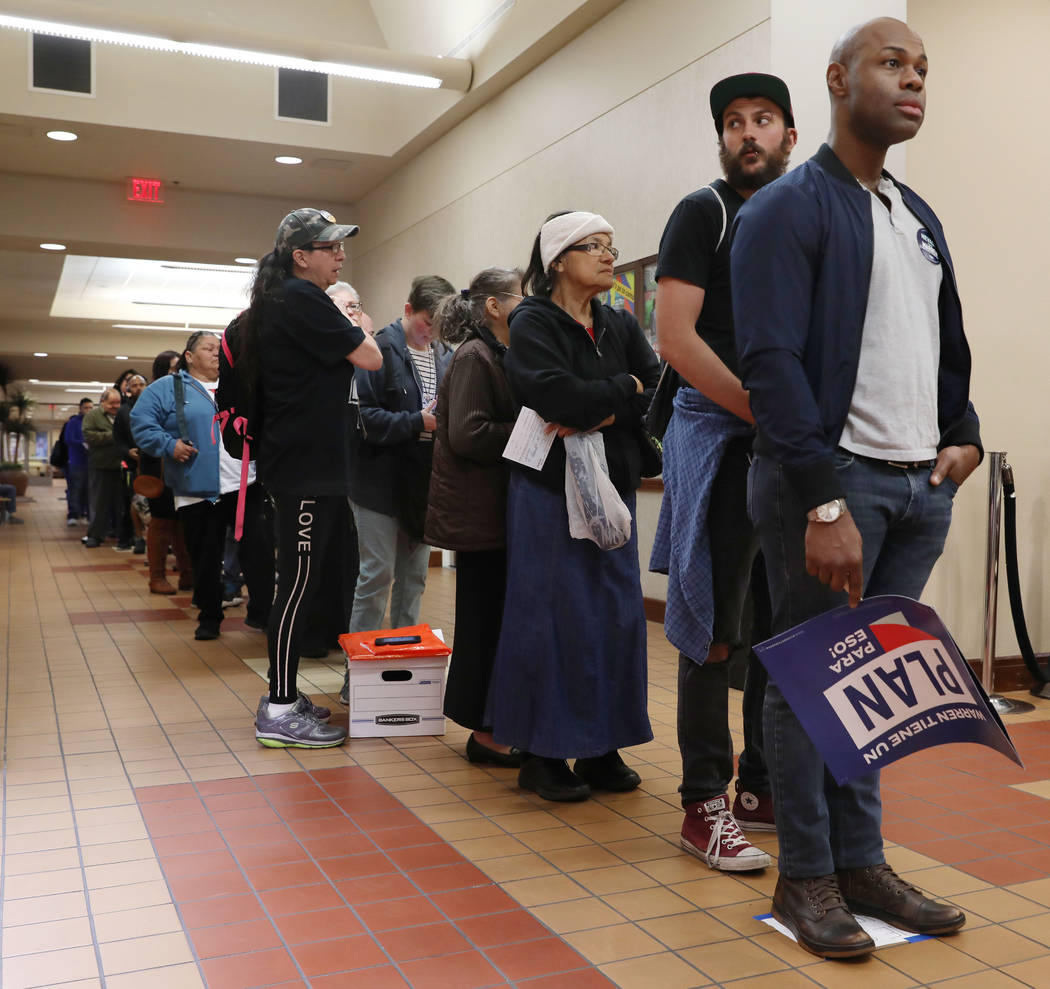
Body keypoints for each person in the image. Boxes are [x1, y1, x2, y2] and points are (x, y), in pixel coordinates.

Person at [732, 17, 978, 958]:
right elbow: (771, 363)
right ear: (837, 80)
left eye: (923, 67)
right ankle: (807, 877)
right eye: (892, 63)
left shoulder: (917, 217)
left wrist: (963, 438)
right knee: (805, 685)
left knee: (872, 686)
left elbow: (945, 345)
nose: (914, 80)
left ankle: (863, 860)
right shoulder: (788, 208)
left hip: (918, 488)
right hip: (831, 488)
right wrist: (824, 499)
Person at [650, 72, 798, 872]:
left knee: (782, 629)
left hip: (789, 447)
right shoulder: (703, 211)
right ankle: (703, 802)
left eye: (764, 120)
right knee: (710, 632)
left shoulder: (804, 212)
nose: (749, 134)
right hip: (720, 434)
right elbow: (676, 338)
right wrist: (758, 411)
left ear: (790, 134)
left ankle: (761, 784)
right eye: (735, 122)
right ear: (722, 138)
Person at [486, 211, 660, 802]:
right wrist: (625, 392)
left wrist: (609, 406)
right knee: (553, 618)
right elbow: (553, 395)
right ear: (558, 259)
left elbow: (660, 386)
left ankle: (601, 746)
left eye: (613, 245)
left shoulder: (618, 322)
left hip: (611, 488)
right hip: (547, 493)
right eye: (594, 246)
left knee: (613, 617)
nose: (610, 256)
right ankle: (540, 752)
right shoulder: (532, 319)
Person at [237, 207, 382, 748]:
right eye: (329, 247)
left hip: (309, 463)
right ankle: (277, 707)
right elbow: (369, 356)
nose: (340, 255)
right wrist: (359, 324)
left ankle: (284, 693)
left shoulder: (286, 301)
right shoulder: (300, 299)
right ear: (301, 256)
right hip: (304, 466)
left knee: (303, 583)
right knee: (296, 587)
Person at [424, 268, 523, 768]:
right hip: (480, 518)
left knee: (502, 622)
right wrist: (533, 429)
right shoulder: (473, 356)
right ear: (493, 305)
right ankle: (483, 735)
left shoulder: (502, 354)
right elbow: (466, 434)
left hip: (501, 512)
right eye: (521, 296)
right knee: (483, 624)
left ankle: (500, 724)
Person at [132, 331, 274, 641]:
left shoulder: (237, 385)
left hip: (244, 483)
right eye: (208, 349)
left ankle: (262, 613)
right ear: (189, 356)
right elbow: (141, 423)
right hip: (197, 489)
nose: (215, 354)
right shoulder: (167, 388)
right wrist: (169, 445)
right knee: (205, 558)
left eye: (218, 349)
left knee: (258, 553)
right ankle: (210, 616)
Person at [348, 275, 454, 639]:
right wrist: (417, 421)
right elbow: (364, 418)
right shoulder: (379, 349)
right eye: (427, 324)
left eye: (439, 328)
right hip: (377, 481)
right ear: (408, 310)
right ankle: (358, 674)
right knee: (377, 576)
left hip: (422, 481)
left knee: (414, 578)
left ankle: (401, 667)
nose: (431, 334)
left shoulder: (445, 355)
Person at [139, 351, 193, 595]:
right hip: (158, 465)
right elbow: (145, 430)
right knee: (161, 522)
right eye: (174, 368)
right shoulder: (155, 394)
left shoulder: (187, 392)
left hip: (184, 465)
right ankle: (157, 577)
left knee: (183, 521)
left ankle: (188, 574)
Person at [81, 388, 126, 548]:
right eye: (111, 403)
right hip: (100, 465)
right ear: (102, 402)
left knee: (121, 504)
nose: (115, 406)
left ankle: (123, 535)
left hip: (121, 466)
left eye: (118, 403)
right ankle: (95, 535)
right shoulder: (92, 416)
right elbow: (89, 436)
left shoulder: (123, 415)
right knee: (99, 503)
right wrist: (113, 435)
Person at [113, 373, 148, 554]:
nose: (138, 388)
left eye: (141, 384)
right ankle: (136, 537)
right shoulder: (123, 411)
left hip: (152, 462)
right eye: (134, 385)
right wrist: (128, 451)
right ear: (128, 389)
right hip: (131, 465)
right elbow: (117, 439)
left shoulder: (154, 406)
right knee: (133, 501)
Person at [62, 398, 92, 525]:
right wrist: (83, 444)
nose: (88, 410)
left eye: (91, 408)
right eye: (86, 408)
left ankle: (87, 514)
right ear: (80, 408)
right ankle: (73, 514)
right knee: (75, 489)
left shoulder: (93, 422)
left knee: (88, 489)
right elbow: (69, 439)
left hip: (91, 462)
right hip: (76, 461)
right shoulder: (73, 422)